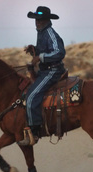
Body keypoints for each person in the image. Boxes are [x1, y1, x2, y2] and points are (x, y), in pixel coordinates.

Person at [18, 6, 66, 146]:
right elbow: (44, 51)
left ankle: (35, 132)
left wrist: (40, 57)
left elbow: (59, 52)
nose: (37, 22)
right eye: (36, 20)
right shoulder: (41, 32)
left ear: (46, 20)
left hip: (53, 71)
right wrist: (34, 50)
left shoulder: (50, 33)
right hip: (45, 70)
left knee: (31, 96)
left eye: (40, 20)